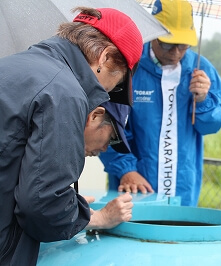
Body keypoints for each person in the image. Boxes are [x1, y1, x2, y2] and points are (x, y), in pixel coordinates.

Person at [0, 7, 143, 265]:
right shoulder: (64, 91)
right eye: (118, 83)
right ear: (105, 57)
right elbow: (42, 206)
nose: (109, 92)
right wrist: (94, 217)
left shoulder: (12, 65)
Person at [99, 0, 221, 206]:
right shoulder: (130, 65)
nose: (176, 52)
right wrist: (126, 170)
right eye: (168, 44)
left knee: (177, 234)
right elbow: (107, 123)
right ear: (152, 33)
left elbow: (211, 126)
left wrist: (203, 100)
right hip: (134, 185)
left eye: (183, 45)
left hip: (182, 186)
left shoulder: (200, 68)